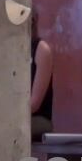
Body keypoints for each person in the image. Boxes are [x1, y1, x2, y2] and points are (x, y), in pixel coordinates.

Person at [30, 10, 54, 140]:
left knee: (6, 128)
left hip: (38, 118)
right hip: (13, 115)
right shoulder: (9, 52)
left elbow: (34, 104)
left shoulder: (41, 49)